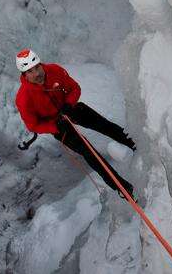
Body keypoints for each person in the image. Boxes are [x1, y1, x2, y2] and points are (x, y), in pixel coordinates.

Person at [14, 48, 137, 200]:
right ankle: (121, 187)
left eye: (37, 67)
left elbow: (74, 88)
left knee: (106, 126)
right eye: (30, 71)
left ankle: (133, 144)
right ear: (24, 75)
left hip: (71, 108)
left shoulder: (54, 70)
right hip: (57, 125)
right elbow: (33, 125)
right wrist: (54, 126)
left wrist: (69, 103)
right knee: (90, 153)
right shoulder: (24, 98)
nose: (37, 73)